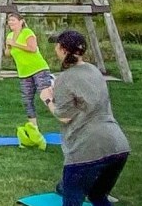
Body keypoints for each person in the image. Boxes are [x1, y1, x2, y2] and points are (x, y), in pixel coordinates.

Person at [40, 30, 130, 206]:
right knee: (97, 197)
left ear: (63, 49)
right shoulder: (94, 70)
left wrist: (48, 99)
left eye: (57, 46)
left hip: (87, 149)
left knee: (73, 202)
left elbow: (64, 116)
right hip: (118, 146)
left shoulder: (64, 78)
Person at [6, 13, 51, 129]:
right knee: (27, 101)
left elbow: (32, 48)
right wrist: (9, 46)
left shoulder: (27, 32)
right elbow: (7, 54)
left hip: (38, 69)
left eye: (13, 20)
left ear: (21, 21)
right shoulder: (10, 36)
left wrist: (15, 44)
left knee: (45, 96)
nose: (10, 22)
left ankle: (64, 116)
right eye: (9, 20)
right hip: (24, 73)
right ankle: (34, 128)